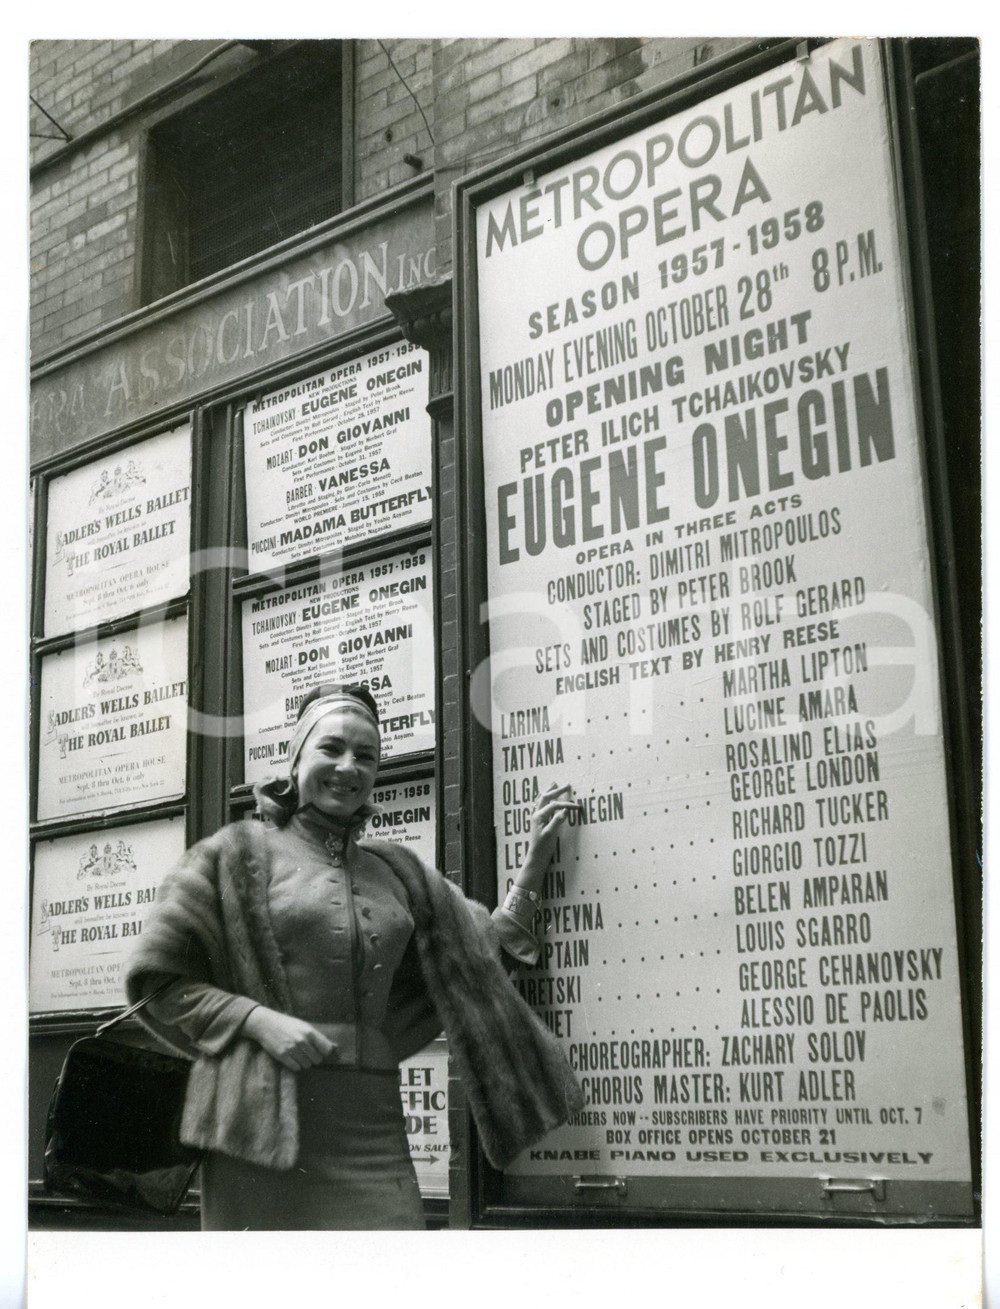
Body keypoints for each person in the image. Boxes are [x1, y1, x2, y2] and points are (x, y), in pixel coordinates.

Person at [125, 682, 581, 1230]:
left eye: (366, 756)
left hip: (372, 1131)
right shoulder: (232, 854)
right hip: (257, 1131)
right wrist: (257, 1020)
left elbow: (477, 961)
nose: (348, 766)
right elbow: (158, 982)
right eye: (331, 748)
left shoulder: (399, 871)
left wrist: (532, 867)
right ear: (295, 762)